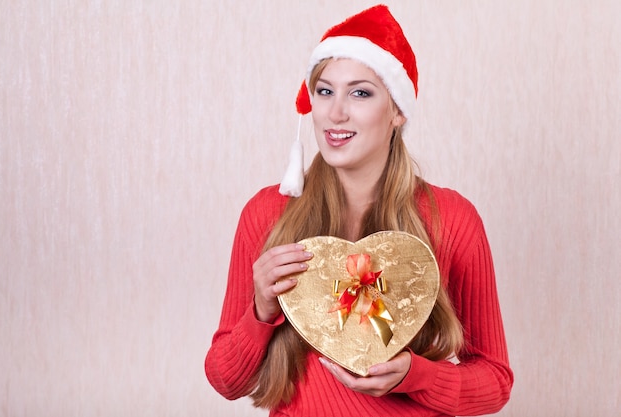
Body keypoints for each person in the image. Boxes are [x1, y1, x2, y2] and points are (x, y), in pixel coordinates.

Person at [205, 5, 513, 416]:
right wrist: (260, 311)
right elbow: (226, 381)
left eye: (360, 93)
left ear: (398, 110)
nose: (336, 113)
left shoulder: (452, 220)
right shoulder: (267, 215)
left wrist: (413, 376)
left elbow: (495, 382)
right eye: (325, 91)